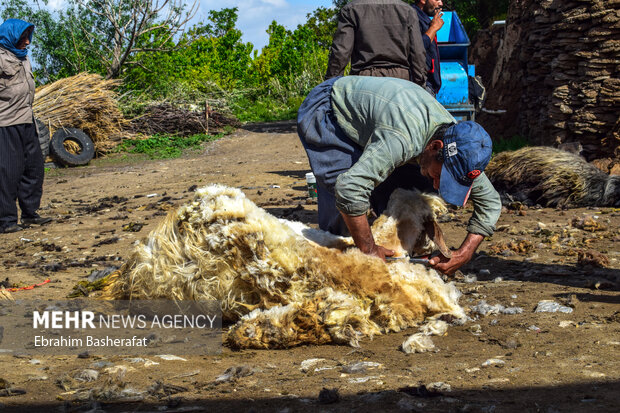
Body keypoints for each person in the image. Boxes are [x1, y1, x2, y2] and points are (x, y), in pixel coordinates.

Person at [297, 76, 501, 275]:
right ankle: (339, 263)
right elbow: (348, 189)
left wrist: (464, 254)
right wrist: (368, 249)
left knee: (416, 189)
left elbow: (490, 203)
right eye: (441, 175)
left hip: (386, 121)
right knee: (342, 196)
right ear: (435, 147)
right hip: (331, 109)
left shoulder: (463, 152)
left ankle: (392, 249)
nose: (439, 184)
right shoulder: (403, 139)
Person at [0, 19, 51, 233]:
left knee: (34, 168)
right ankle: (7, 221)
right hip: (6, 123)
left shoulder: (24, 58)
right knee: (8, 173)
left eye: (28, 37)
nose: (27, 42)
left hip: (27, 120)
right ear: (12, 37)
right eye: (23, 38)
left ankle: (30, 214)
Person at [324, 0, 427, 86]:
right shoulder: (408, 11)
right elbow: (418, 53)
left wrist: (329, 84)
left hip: (364, 79)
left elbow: (341, 52)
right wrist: (420, 84)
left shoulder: (351, 10)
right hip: (400, 80)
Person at [412, 0, 444, 96]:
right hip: (421, 85)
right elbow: (417, 48)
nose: (441, 3)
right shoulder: (412, 17)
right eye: (437, 0)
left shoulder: (423, 18)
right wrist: (433, 28)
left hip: (428, 84)